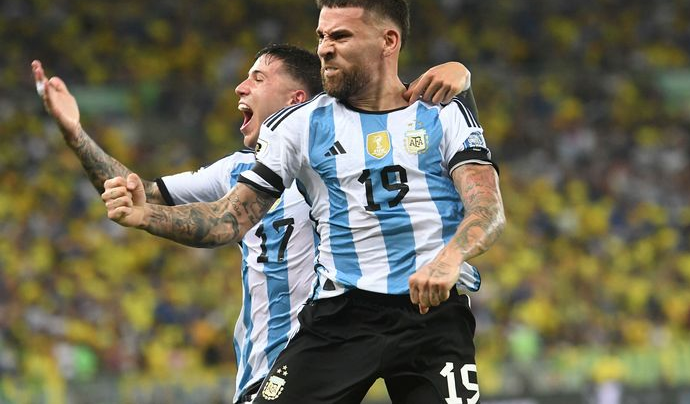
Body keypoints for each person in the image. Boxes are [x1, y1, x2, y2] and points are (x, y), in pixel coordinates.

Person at [102, 0, 505, 404]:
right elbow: (230, 219)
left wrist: (450, 258)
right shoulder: (297, 125)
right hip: (341, 318)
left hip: (433, 316)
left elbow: (487, 208)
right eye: (321, 36)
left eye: (341, 36)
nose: (325, 48)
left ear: (389, 41)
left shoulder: (444, 115)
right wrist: (149, 216)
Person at [33, 44, 475, 403]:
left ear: (297, 101)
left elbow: (410, 133)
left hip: (340, 348)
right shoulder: (235, 173)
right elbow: (134, 192)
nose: (240, 87)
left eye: (258, 78)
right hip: (269, 370)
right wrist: (75, 132)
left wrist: (459, 77)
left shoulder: (341, 160)